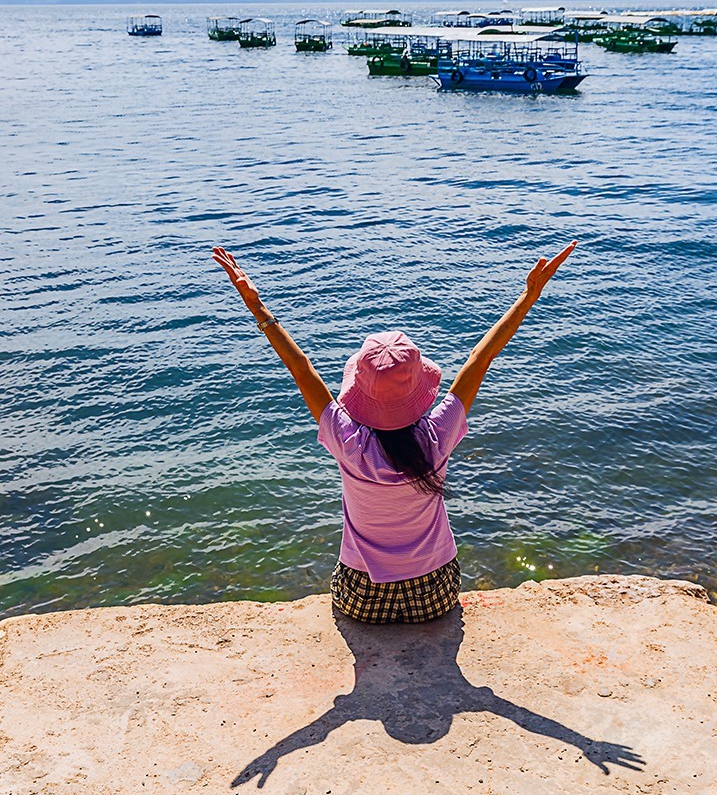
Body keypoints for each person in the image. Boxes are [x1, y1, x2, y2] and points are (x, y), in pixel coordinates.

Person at [212, 241, 576, 625]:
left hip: (361, 597)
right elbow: (481, 358)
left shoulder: (347, 439)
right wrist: (529, 295)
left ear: (360, 389)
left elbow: (302, 369)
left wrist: (255, 304)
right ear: (418, 388)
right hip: (434, 594)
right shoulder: (438, 435)